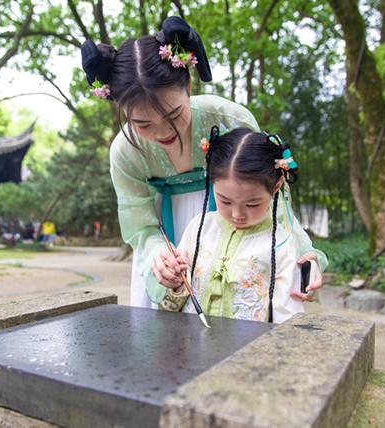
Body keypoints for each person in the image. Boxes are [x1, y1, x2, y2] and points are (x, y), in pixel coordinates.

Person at [81, 16, 326, 308]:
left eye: (174, 115)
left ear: (188, 85)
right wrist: (158, 254)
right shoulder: (125, 151)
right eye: (143, 124)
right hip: (166, 238)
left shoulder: (228, 119)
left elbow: (270, 195)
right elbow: (139, 225)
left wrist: (304, 254)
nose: (163, 132)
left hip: (230, 213)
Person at [157, 127, 326, 323]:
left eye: (252, 204)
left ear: (277, 186)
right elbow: (173, 300)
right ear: (212, 183)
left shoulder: (281, 245)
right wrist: (175, 282)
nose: (237, 214)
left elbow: (286, 318)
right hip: (190, 344)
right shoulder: (198, 228)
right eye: (225, 201)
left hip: (249, 350)